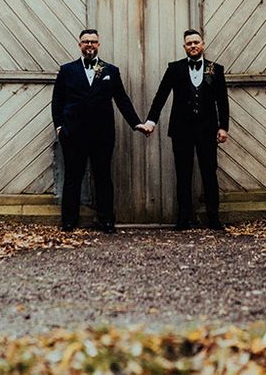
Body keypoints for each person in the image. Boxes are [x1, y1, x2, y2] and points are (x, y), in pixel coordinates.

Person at [51, 28, 148, 232]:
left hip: (102, 135)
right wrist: (59, 126)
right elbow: (57, 101)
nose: (89, 45)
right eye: (86, 41)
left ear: (98, 45)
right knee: (73, 177)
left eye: (93, 42)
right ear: (80, 44)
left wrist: (136, 123)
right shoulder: (67, 70)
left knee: (103, 177)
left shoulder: (110, 71)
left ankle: (106, 221)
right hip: (73, 134)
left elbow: (122, 99)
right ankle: (69, 221)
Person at [141, 29, 229, 230]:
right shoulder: (175, 68)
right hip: (181, 131)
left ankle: (213, 218)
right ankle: (183, 219)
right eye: (189, 43)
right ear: (184, 47)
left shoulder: (216, 69)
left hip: (207, 130)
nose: (193, 46)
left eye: (196, 42)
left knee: (209, 173)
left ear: (203, 44)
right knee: (183, 174)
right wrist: (151, 121)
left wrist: (223, 127)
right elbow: (161, 96)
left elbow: (222, 101)